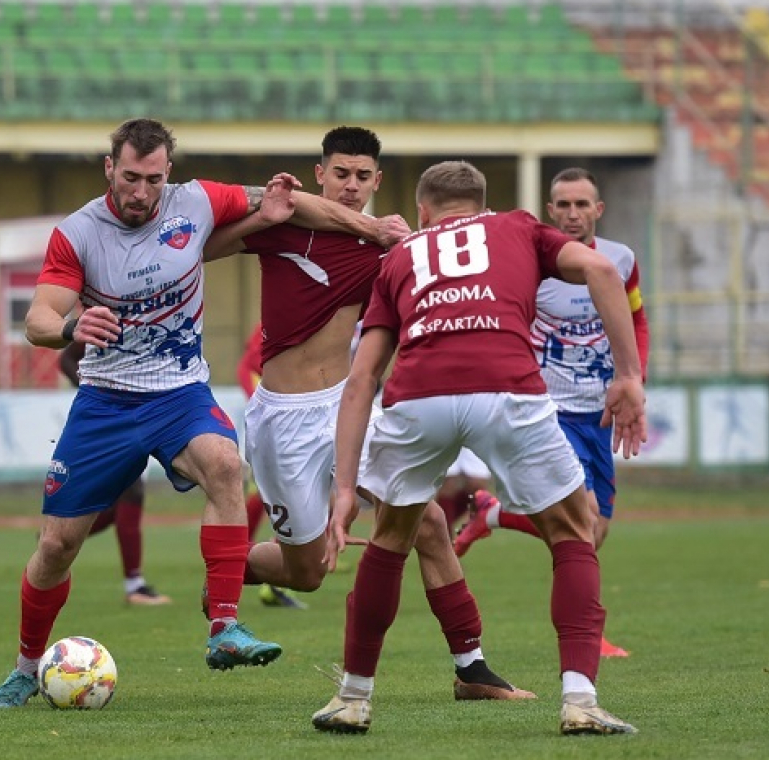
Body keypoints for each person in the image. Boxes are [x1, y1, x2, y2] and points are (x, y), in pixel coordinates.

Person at [0, 117, 362, 708]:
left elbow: (287, 203)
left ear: (169, 175)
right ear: (109, 168)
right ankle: (26, 666)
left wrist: (374, 229)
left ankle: (224, 628)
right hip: (105, 401)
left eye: (152, 179)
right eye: (129, 177)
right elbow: (37, 319)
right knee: (57, 546)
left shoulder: (199, 202)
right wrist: (69, 325)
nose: (140, 192)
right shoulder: (78, 233)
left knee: (223, 463)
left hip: (179, 392)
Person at [315, 160, 646, 736]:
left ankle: (352, 698)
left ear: (423, 211)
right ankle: (580, 702)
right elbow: (600, 269)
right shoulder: (518, 228)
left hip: (419, 395)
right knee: (575, 530)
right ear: (482, 204)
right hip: (507, 388)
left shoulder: (400, 256)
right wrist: (628, 377)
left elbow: (362, 378)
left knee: (390, 542)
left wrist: (346, 489)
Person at [205, 127, 533, 702]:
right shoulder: (287, 221)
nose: (351, 186)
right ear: (320, 174)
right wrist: (357, 224)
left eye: (362, 177)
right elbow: (210, 242)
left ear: (377, 182)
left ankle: (471, 668)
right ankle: (228, 577)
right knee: (308, 572)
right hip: (285, 419)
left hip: (351, 407)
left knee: (426, 521)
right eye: (341, 174)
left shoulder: (393, 250)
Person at [454, 168, 650, 659]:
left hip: (600, 413)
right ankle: (590, 637)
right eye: (562, 204)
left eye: (582, 204)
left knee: (596, 530)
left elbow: (637, 318)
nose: (572, 213)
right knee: (581, 521)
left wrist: (634, 379)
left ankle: (492, 515)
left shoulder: (620, 260)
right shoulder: (533, 266)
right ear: (550, 209)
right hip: (549, 410)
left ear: (597, 211)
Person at [57, 339, 171, 606]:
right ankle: (135, 586)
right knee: (132, 490)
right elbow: (65, 359)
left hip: (143, 412)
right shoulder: (104, 318)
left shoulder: (152, 318)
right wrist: (93, 389)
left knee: (118, 504)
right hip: (108, 414)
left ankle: (59, 537)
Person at [235, 321, 307, 609]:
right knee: (281, 489)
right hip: (277, 406)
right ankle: (239, 555)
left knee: (292, 490)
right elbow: (251, 363)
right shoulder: (287, 309)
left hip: (298, 405)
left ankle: (242, 556)